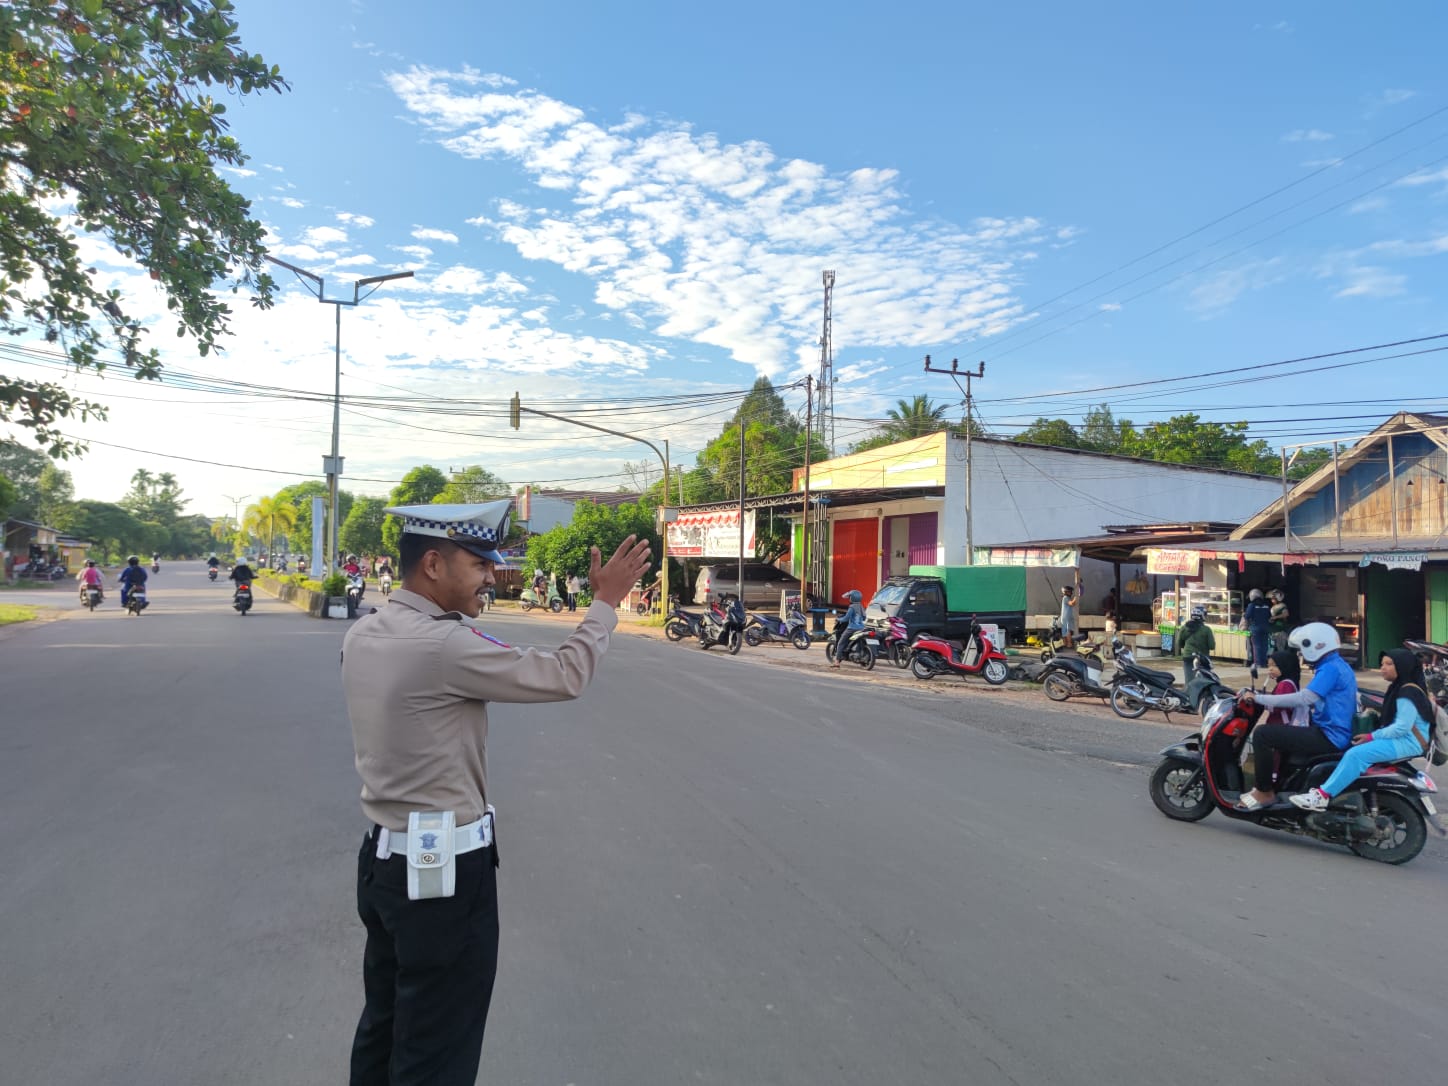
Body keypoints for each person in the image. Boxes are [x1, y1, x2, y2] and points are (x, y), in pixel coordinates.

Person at [341, 500, 650, 1085]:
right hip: (442, 877)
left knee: (384, 1029)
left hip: (383, 864)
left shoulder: (368, 631)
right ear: (433, 564)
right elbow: (565, 674)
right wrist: (605, 603)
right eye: (478, 563)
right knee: (436, 1054)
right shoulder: (441, 645)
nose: (491, 574)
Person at [1290, 648, 1436, 810]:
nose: (1383, 668)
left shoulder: (1406, 692)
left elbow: (1401, 727)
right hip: (1406, 739)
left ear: (1402, 666)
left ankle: (1322, 796)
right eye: (1382, 664)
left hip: (1407, 742)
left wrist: (1371, 737)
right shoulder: (1402, 687)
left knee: (1356, 755)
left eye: (1389, 664)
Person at [1238, 622, 1356, 809]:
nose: (1301, 654)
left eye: (1303, 649)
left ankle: (1264, 791)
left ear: (1316, 645)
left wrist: (1259, 698)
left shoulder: (1330, 668)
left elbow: (1304, 698)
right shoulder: (1338, 665)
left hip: (1329, 735)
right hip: (1334, 732)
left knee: (1263, 734)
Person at [1177, 606, 1215, 685]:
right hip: (1202, 658)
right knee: (1204, 680)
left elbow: (1179, 643)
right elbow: (1212, 646)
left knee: (1189, 681)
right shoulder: (1206, 629)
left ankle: (1189, 695)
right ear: (1202, 616)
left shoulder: (1184, 628)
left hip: (1188, 656)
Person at [830, 589, 867, 669]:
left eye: (849, 597)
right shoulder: (861, 607)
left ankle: (836, 662)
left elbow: (846, 619)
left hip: (852, 628)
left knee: (840, 643)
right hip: (861, 628)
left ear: (852, 598)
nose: (849, 598)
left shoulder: (852, 607)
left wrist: (838, 619)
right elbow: (864, 618)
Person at [1241, 588, 1272, 678]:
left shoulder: (1252, 605)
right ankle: (1264, 662)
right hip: (1266, 628)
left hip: (1255, 628)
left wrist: (1244, 614)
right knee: (1265, 645)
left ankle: (1258, 663)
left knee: (1256, 646)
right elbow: (1269, 616)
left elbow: (1247, 616)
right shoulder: (1266, 606)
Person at [1058, 583, 1080, 649]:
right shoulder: (1066, 598)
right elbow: (1072, 603)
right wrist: (1076, 597)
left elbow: (1073, 603)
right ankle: (1069, 644)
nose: (1071, 593)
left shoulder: (1066, 598)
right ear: (1066, 592)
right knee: (1068, 631)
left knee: (1064, 631)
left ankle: (1065, 644)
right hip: (1066, 617)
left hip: (1065, 617)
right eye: (1070, 591)